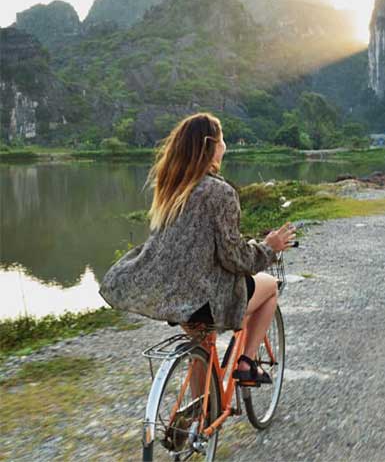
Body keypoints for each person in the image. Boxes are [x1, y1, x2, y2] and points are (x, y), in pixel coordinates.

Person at [99, 112, 295, 384]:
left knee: (201, 348)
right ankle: (248, 363)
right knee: (270, 286)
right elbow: (234, 258)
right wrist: (269, 248)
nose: (225, 146)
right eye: (222, 140)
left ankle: (195, 423)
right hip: (204, 298)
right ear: (211, 146)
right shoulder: (220, 192)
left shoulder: (170, 188)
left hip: (170, 293)